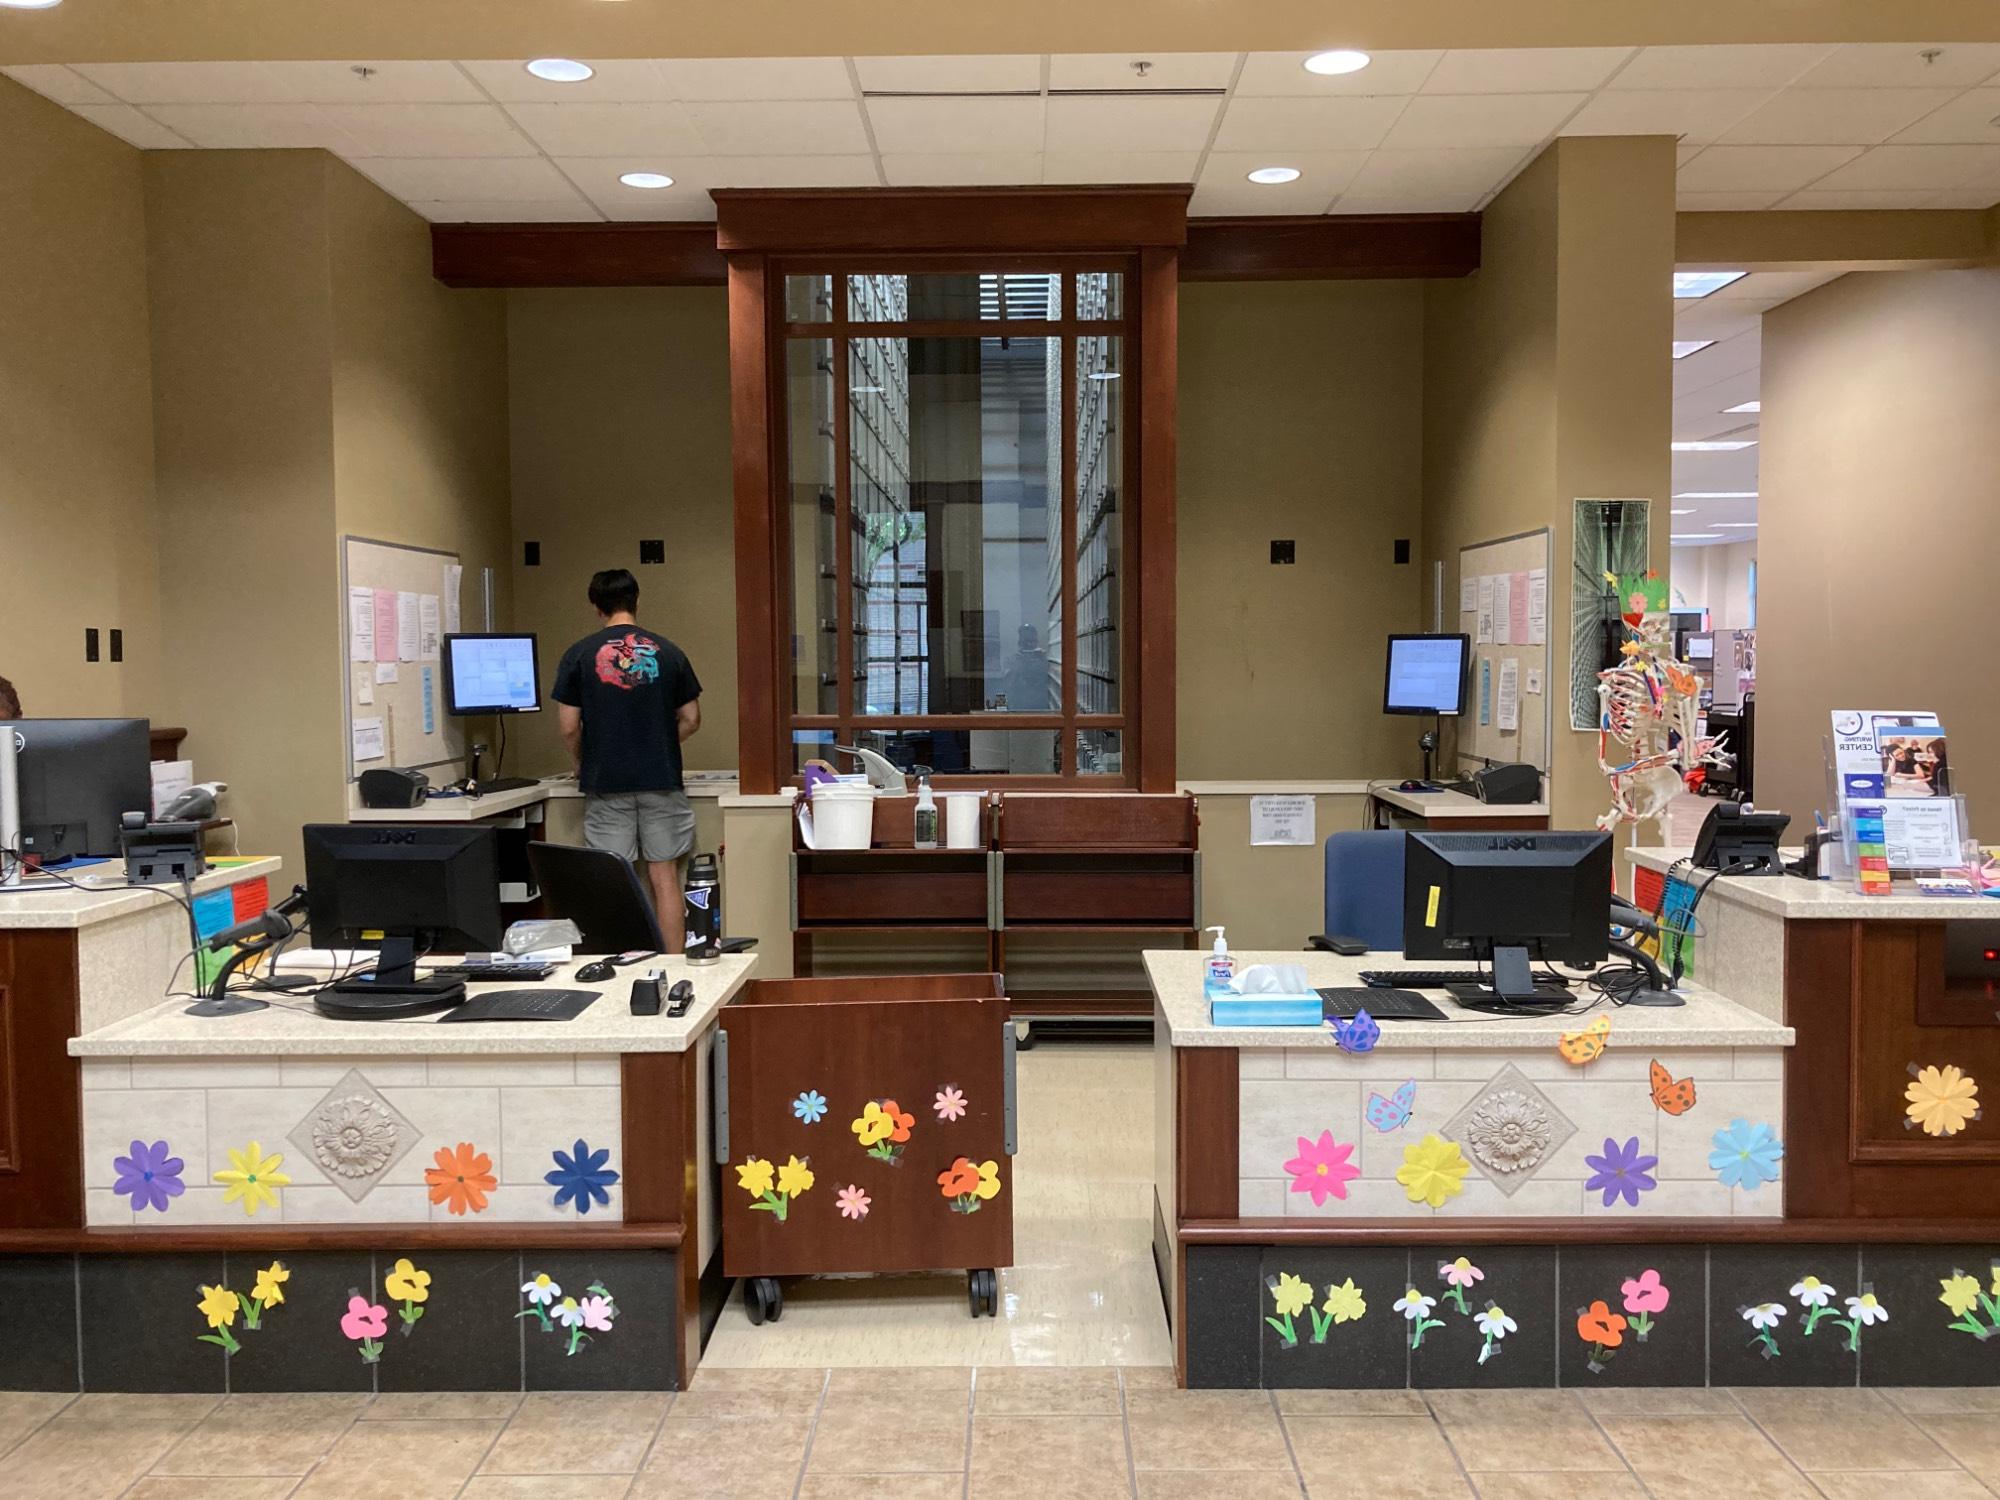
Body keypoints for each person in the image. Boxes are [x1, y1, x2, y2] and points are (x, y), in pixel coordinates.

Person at [552, 569, 703, 950]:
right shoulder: (669, 652)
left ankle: (626, 968)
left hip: (606, 781)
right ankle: (670, 966)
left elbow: (569, 727)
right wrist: (663, 742)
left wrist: (581, 761)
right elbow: (692, 718)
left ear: (596, 606)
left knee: (618, 880)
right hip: (662, 777)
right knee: (665, 877)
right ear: (637, 600)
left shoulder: (579, 655)